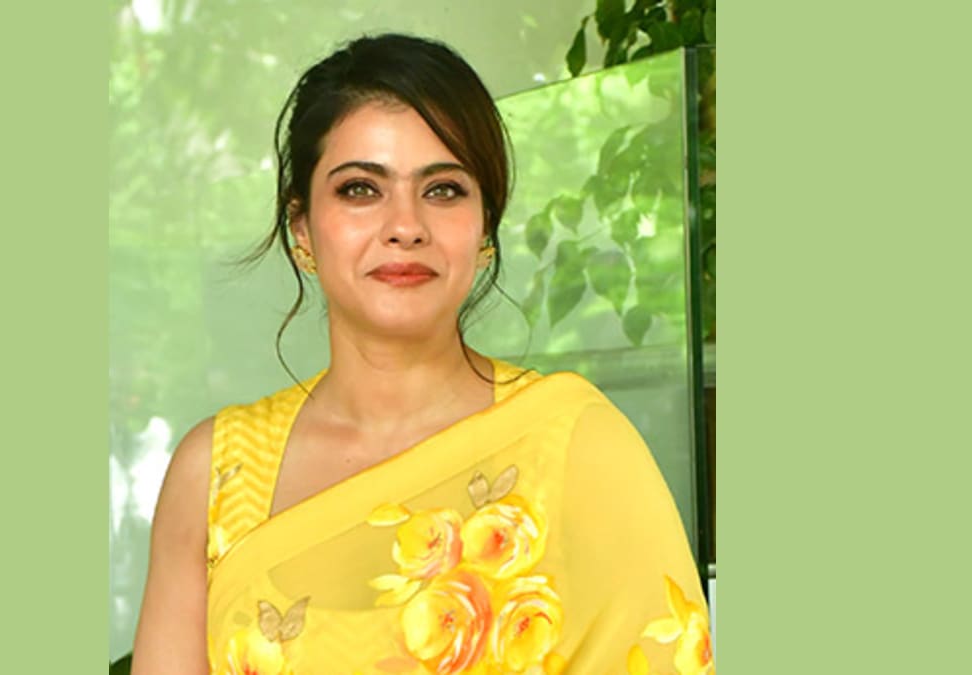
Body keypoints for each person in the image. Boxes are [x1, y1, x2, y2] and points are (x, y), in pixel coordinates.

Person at [131, 33, 713, 675]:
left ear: (486, 226)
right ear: (302, 229)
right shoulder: (215, 475)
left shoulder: (575, 444)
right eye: (360, 189)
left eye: (443, 190)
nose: (405, 226)